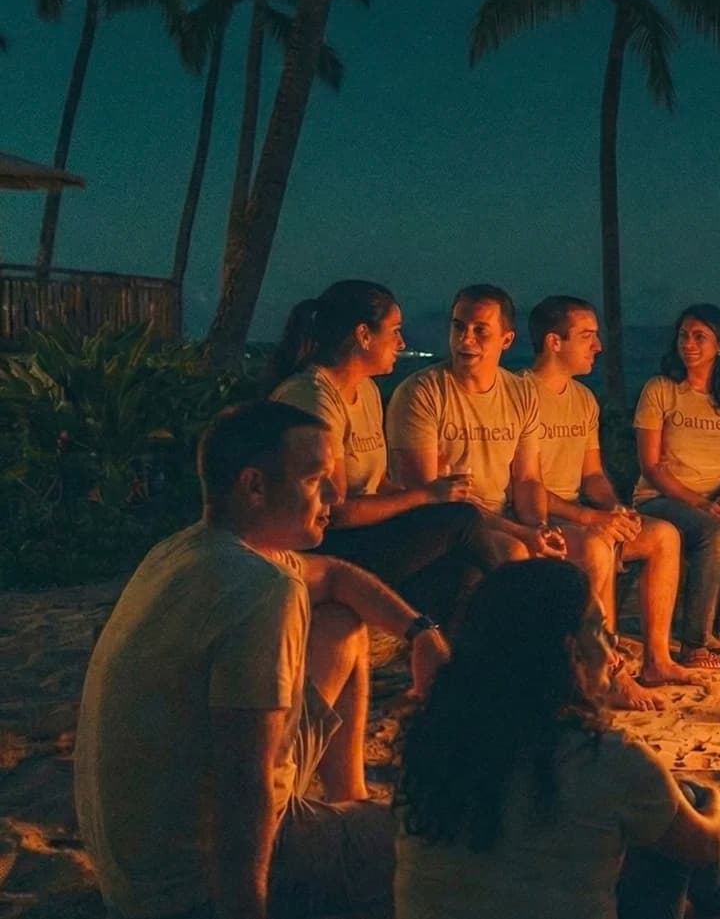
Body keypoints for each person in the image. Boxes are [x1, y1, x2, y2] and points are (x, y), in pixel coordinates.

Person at [75, 401, 452, 919]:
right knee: (436, 845)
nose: (335, 496)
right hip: (192, 883)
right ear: (254, 486)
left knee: (342, 622)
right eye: (315, 479)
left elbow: (336, 577)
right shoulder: (261, 588)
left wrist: (421, 632)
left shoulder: (183, 550)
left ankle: (349, 799)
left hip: (130, 869)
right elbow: (244, 784)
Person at [395, 559, 720, 919]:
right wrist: (714, 803)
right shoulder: (606, 757)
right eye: (600, 630)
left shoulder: (432, 741)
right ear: (570, 650)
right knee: (686, 805)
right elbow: (704, 846)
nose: (613, 650)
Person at [268, 279, 500, 625]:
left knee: (461, 572)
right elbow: (335, 511)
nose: (401, 343)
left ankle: (446, 657)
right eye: (394, 331)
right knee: (462, 520)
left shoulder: (367, 392)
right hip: (321, 542)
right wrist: (424, 496)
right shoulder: (313, 398)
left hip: (363, 534)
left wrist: (427, 496)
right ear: (364, 335)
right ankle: (528, 609)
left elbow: (375, 483)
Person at [523, 297, 694, 709]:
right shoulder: (520, 394)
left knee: (663, 536)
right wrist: (590, 518)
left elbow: (593, 475)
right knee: (597, 544)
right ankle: (608, 670)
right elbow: (524, 486)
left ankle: (657, 659)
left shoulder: (583, 399)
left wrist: (615, 508)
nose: (598, 346)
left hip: (577, 512)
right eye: (587, 336)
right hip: (535, 517)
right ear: (554, 342)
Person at [387, 283, 566, 563]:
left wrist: (539, 526)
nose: (465, 339)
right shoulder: (422, 392)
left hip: (503, 518)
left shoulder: (520, 392)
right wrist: (521, 532)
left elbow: (528, 479)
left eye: (480, 330)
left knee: (594, 549)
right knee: (515, 552)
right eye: (459, 327)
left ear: (506, 340)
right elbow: (432, 494)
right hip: (448, 524)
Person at [633, 303, 720, 667]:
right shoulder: (661, 390)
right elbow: (651, 466)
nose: (688, 344)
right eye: (683, 336)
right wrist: (700, 503)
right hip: (663, 496)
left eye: (699, 337)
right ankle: (694, 643)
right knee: (715, 536)